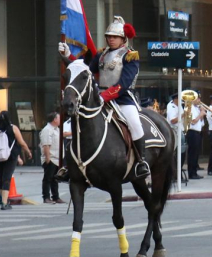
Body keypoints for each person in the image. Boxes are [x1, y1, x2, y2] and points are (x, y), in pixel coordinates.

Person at [59, 16, 150, 178]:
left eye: (114, 37)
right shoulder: (101, 55)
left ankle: (141, 162)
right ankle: (69, 164)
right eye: (108, 36)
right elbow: (84, 70)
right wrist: (69, 56)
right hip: (99, 96)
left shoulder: (131, 55)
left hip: (122, 98)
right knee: (79, 122)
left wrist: (105, 97)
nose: (111, 39)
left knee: (135, 123)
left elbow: (124, 83)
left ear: (123, 38)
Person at [0, 111, 32, 210]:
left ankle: (4, 200)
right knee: (7, 178)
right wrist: (28, 152)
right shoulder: (13, 128)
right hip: (10, 157)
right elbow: (22, 142)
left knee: (1, 178)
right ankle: (4, 203)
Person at [39, 112, 63, 204]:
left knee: (55, 179)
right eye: (59, 118)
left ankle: (56, 197)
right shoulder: (47, 130)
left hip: (57, 159)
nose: (60, 120)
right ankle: (46, 197)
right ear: (54, 119)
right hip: (51, 158)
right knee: (47, 179)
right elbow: (46, 145)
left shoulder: (56, 129)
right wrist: (48, 159)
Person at [185, 94, 206, 179]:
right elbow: (193, 121)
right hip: (192, 132)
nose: (199, 100)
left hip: (198, 132)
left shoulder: (196, 108)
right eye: (198, 98)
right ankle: (191, 173)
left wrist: (202, 113)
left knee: (196, 153)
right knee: (192, 154)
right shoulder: (189, 108)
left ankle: (194, 171)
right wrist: (201, 114)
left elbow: (201, 123)